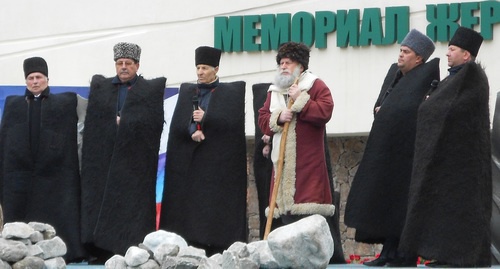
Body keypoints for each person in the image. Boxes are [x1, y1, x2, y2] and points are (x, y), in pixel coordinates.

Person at [344, 29, 439, 267]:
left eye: (406, 52)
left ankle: (404, 256)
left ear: (419, 58)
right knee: (386, 204)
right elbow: (384, 103)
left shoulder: (426, 80)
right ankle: (387, 253)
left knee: (403, 207)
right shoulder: (395, 76)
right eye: (401, 50)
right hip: (387, 153)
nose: (401, 55)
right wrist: (380, 110)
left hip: (409, 156)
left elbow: (415, 111)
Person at [399, 26, 491, 267]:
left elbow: (454, 111)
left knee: (459, 212)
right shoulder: (454, 78)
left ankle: (459, 257)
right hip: (447, 161)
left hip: (463, 164)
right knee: (443, 212)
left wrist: (430, 105)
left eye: (452, 49)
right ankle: (445, 254)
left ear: (466, 55)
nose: (447, 54)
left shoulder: (473, 79)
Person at [80, 42, 166, 262]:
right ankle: (99, 250)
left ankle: (129, 250)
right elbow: (94, 123)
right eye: (120, 63)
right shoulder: (102, 88)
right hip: (104, 160)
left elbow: (153, 123)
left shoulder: (148, 91)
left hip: (134, 162)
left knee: (130, 209)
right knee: (101, 204)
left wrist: (126, 123)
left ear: (137, 65)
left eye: (128, 63)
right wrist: (112, 125)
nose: (124, 67)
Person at [159, 46, 247, 256]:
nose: (200, 72)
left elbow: (232, 122)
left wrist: (206, 119)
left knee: (214, 208)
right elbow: (179, 122)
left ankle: (218, 244)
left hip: (216, 164)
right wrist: (192, 130)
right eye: (198, 67)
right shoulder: (189, 91)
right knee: (189, 206)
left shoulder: (229, 92)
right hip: (191, 164)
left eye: (205, 68)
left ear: (216, 69)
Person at [0, 57, 87, 262]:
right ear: (26, 81)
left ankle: (64, 251)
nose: (35, 81)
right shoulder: (14, 105)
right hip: (21, 173)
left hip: (54, 174)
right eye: (31, 78)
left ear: (47, 78)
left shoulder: (64, 103)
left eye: (39, 77)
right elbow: (6, 139)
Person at [257, 42, 335, 229]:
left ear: (300, 66)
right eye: (281, 63)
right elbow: (262, 117)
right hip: (281, 163)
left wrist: (301, 98)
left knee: (306, 213)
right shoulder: (274, 91)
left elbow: (326, 111)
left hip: (307, 162)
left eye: (288, 62)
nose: (283, 66)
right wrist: (278, 118)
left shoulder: (315, 85)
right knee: (285, 218)